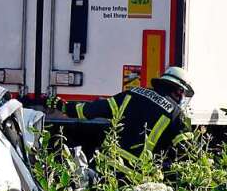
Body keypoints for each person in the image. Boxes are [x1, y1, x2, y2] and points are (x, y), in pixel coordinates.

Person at [48, 66, 194, 175]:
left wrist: (63, 106)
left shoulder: (132, 94)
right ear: (179, 91)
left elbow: (90, 111)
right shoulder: (176, 115)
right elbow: (187, 153)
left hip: (107, 170)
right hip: (137, 178)